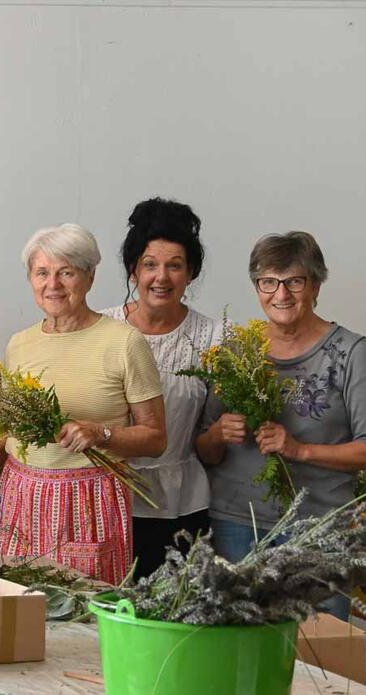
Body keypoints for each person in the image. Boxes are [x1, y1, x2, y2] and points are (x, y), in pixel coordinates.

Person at [0, 223, 166, 584]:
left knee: (85, 615)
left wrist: (102, 434)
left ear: (90, 277)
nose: (53, 284)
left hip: (90, 500)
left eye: (66, 272)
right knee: (16, 611)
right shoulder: (20, 344)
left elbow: (156, 438)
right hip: (20, 497)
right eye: (42, 273)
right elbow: (15, 434)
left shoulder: (124, 342)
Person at [197, 232, 366, 578]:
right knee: (239, 634)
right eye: (268, 282)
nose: (281, 294)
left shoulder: (351, 353)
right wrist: (217, 433)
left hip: (318, 527)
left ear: (316, 285)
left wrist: (300, 450)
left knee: (321, 633)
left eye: (294, 282)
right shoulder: (238, 351)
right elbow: (203, 451)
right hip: (235, 525)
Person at [102, 198, 219, 579]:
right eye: (150, 265)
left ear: (191, 273)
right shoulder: (99, 329)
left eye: (175, 266)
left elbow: (210, 437)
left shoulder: (214, 339)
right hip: (106, 502)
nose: (162, 278)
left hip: (182, 506)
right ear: (133, 271)